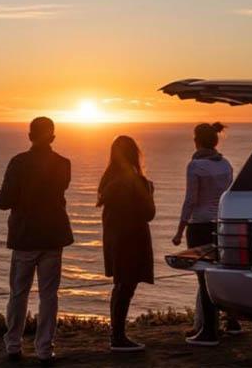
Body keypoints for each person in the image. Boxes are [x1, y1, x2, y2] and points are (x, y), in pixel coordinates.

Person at [0, 117, 73, 365]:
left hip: (25, 236)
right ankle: (44, 349)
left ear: (30, 135)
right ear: (52, 136)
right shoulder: (63, 164)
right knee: (49, 295)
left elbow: (4, 200)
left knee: (19, 293)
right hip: (52, 237)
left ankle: (14, 345)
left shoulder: (19, 163)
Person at [172, 122, 241, 346]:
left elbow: (191, 200)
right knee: (221, 273)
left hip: (200, 225)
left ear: (197, 141)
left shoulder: (196, 166)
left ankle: (209, 331)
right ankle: (232, 321)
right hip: (220, 223)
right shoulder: (226, 164)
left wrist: (180, 230)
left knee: (204, 279)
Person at [97, 135, 155, 352]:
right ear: (134, 154)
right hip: (133, 239)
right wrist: (150, 191)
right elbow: (149, 213)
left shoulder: (108, 181)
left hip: (114, 239)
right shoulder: (136, 181)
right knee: (126, 287)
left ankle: (116, 334)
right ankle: (118, 337)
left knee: (120, 286)